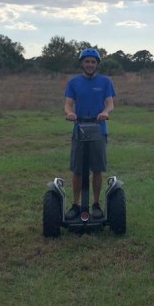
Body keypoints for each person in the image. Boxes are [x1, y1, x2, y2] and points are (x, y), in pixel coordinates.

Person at [63, 48, 116, 220]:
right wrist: (70, 113)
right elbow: (68, 104)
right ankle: (76, 204)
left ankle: (95, 204)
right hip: (79, 128)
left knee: (97, 169)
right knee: (77, 170)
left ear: (97, 64)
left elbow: (110, 103)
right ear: (81, 63)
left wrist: (106, 112)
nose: (90, 65)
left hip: (99, 129)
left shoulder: (105, 81)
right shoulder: (73, 82)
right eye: (87, 61)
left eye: (93, 62)